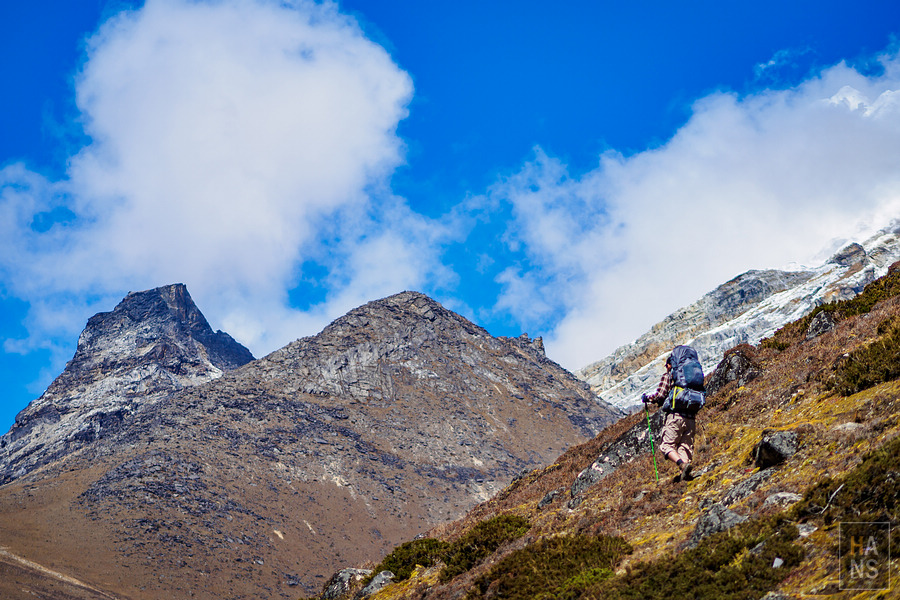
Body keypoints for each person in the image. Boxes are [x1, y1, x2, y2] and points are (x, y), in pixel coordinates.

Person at [642, 346, 705, 482]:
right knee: (685, 447)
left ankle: (681, 464)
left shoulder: (669, 375)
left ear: (671, 364)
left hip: (676, 415)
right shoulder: (690, 379)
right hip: (691, 416)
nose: (666, 367)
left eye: (666, 365)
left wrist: (647, 398)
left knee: (666, 445)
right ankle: (685, 472)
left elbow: (660, 395)